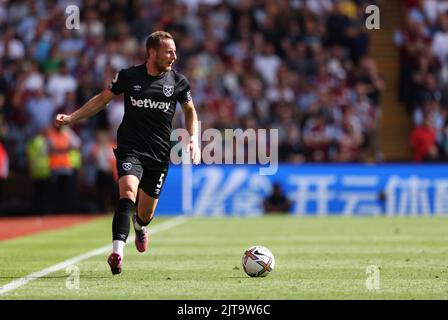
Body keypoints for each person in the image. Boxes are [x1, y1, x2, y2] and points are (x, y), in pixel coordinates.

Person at [54, 31, 201, 275]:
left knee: (145, 213)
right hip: (130, 148)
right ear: (152, 52)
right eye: (169, 51)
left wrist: (193, 138)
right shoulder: (129, 76)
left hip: (159, 154)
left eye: (175, 51)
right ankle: (117, 253)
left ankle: (140, 226)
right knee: (127, 194)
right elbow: (102, 99)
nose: (174, 56)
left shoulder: (178, 82)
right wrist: (72, 117)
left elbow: (190, 111)